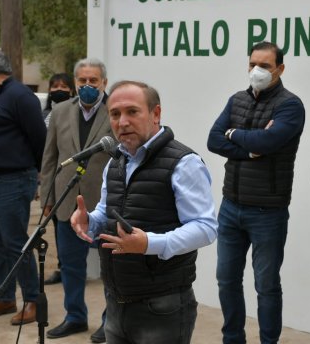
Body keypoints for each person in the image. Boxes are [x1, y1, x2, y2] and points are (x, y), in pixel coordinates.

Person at [70, 80, 218, 344]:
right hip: (115, 302)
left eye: (132, 112)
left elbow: (205, 228)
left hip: (162, 305)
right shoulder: (114, 162)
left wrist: (149, 244)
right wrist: (89, 221)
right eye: (115, 114)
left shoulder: (184, 163)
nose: (122, 121)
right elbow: (107, 211)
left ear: (156, 114)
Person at [207, 41, 305, 344]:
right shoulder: (236, 99)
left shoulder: (290, 105)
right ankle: (232, 338)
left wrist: (235, 134)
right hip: (231, 207)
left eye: (265, 65)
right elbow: (213, 140)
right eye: (253, 64)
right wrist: (249, 150)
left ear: (280, 69)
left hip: (268, 211)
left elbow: (268, 142)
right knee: (226, 281)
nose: (257, 71)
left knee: (266, 285)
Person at [0, 49, 46, 325]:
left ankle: (33, 301)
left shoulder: (20, 96)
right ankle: (4, 298)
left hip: (12, 182)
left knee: (16, 244)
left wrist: (38, 178)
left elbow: (40, 140)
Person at [39, 59, 112, 341]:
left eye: (94, 81)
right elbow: (49, 158)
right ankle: (75, 316)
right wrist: (47, 197)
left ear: (104, 83)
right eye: (82, 81)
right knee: (70, 264)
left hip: (105, 202)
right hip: (67, 200)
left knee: (110, 267)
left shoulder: (114, 111)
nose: (87, 86)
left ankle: (111, 321)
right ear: (75, 82)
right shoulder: (59, 111)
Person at [41, 73, 76, 287]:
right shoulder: (44, 113)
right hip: (53, 179)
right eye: (55, 86)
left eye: (64, 86)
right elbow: (47, 153)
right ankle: (63, 267)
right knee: (58, 227)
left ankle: (73, 268)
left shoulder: (74, 114)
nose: (59, 89)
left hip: (74, 180)